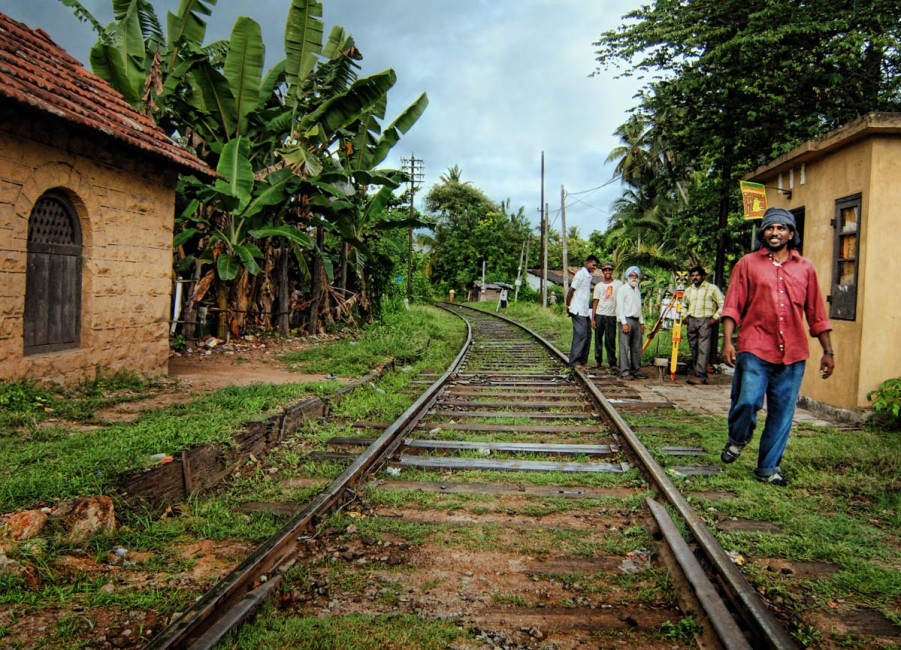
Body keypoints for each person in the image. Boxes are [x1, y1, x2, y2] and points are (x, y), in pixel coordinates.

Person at [720, 207, 834, 487]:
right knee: (747, 401)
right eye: (770, 228)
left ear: (791, 234)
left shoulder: (805, 268)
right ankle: (738, 437)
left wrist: (828, 351)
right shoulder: (747, 264)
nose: (775, 232)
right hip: (755, 347)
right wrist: (727, 341)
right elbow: (733, 304)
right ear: (763, 233)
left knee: (782, 411)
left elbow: (816, 313)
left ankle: (768, 467)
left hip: (793, 353)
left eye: (781, 228)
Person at [683, 266, 725, 385]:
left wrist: (714, 318)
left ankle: (700, 375)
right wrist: (685, 316)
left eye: (697, 275)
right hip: (692, 319)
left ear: (703, 276)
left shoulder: (712, 288)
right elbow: (683, 305)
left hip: (705, 320)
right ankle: (697, 372)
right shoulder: (688, 290)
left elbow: (723, 303)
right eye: (693, 275)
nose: (695, 278)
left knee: (703, 348)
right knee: (693, 347)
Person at [566, 254, 599, 369]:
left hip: (585, 311)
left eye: (596, 266)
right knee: (580, 334)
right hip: (577, 309)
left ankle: (582, 361)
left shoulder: (588, 276)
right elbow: (571, 290)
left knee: (587, 335)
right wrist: (567, 305)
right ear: (587, 263)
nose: (595, 268)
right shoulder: (580, 274)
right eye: (593, 265)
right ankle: (574, 362)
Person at [616, 266, 645, 379]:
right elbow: (619, 307)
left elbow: (639, 307)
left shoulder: (637, 290)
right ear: (627, 277)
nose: (634, 278)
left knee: (636, 347)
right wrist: (624, 323)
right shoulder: (623, 289)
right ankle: (624, 372)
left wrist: (641, 322)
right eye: (631, 276)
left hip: (636, 320)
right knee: (624, 347)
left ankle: (636, 370)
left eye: (636, 276)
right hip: (626, 320)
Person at [591, 262, 621, 370]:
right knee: (598, 338)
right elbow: (595, 302)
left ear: (612, 271)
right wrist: (593, 318)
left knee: (610, 339)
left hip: (611, 315)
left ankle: (612, 362)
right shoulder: (599, 286)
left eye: (609, 270)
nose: (607, 272)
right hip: (600, 314)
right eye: (605, 270)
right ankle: (598, 360)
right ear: (602, 272)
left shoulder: (618, 284)